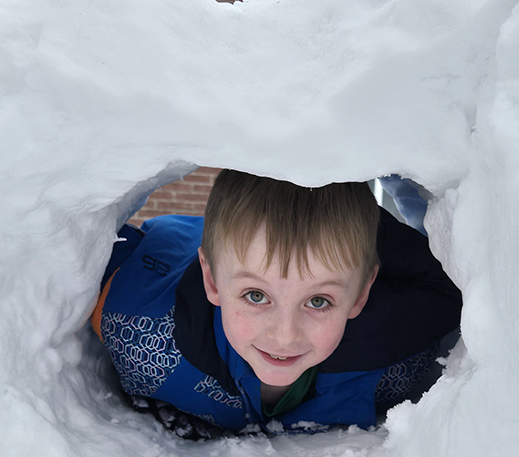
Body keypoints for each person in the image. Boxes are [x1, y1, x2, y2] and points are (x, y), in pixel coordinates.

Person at [91, 170, 462, 439]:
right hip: (181, 250)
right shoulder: (137, 330)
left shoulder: (395, 360)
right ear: (211, 282)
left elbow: (452, 273)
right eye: (256, 296)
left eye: (319, 300)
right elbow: (74, 250)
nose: (284, 335)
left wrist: (350, 238)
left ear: (361, 294)